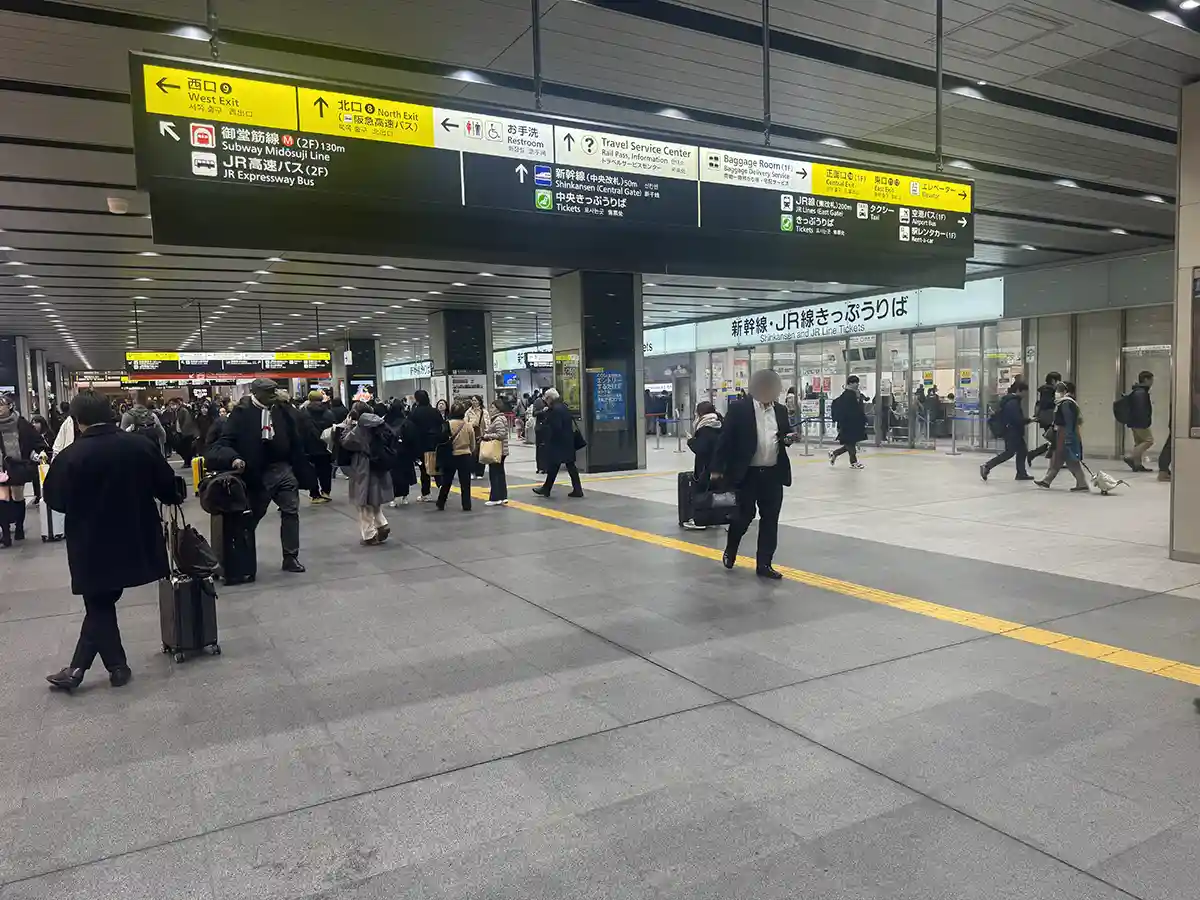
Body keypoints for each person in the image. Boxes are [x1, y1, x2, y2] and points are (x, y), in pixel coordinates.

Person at [42, 392, 182, 691]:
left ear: (77, 421)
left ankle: (84, 669)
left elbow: (54, 499)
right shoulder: (139, 446)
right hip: (136, 536)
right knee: (100, 602)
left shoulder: (71, 456)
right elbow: (169, 488)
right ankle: (112, 668)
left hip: (90, 542)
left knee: (98, 601)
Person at [205, 378, 316, 573]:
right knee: (251, 517)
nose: (273, 395)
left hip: (283, 469)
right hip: (257, 473)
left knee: (291, 512)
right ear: (256, 394)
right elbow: (222, 443)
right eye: (269, 392)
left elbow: (300, 432)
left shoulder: (282, 410)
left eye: (275, 391)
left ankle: (290, 557)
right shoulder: (241, 414)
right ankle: (239, 558)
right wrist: (234, 459)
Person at [713, 369, 792, 579]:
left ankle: (764, 564)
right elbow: (725, 440)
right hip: (747, 474)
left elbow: (784, 434)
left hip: (773, 474)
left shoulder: (781, 411)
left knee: (770, 519)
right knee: (744, 516)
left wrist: (788, 439)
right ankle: (731, 548)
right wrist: (717, 469)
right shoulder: (740, 409)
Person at [338, 402, 393, 545]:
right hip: (379, 465)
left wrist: (348, 425)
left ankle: (369, 535)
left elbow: (346, 441)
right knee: (375, 499)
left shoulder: (361, 428)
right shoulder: (380, 423)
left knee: (363, 503)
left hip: (363, 466)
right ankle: (382, 524)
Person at [0, 394, 46, 545]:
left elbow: (36, 441)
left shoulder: (21, 423)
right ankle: (5, 533)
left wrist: (38, 454)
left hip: (17, 466)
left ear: (10, 406)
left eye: (2, 405)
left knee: (18, 496)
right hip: (1, 466)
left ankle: (19, 527)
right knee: (2, 499)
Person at [1036, 381, 1089, 492]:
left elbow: (1068, 422)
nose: (1056, 393)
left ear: (1066, 391)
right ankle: (1047, 481)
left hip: (1064, 434)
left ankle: (1082, 483)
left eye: (1059, 390)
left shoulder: (1066, 403)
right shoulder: (1066, 403)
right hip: (1062, 434)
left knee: (1070, 461)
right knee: (1058, 459)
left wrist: (1068, 438)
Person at [532, 388, 584, 499]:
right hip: (567, 441)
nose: (545, 401)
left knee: (557, 465)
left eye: (546, 398)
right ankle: (575, 489)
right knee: (564, 466)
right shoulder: (563, 406)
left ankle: (548, 489)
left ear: (550, 398)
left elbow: (556, 427)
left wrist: (546, 431)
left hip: (559, 443)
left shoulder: (555, 409)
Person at [980, 381, 1033, 482]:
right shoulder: (1012, 402)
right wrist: (1028, 420)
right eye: (1025, 392)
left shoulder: (1012, 400)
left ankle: (1021, 473)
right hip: (1012, 431)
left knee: (1022, 451)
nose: (1026, 395)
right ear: (1019, 391)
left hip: (1013, 431)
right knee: (1009, 453)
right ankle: (987, 466)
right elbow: (1016, 419)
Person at [682, 400, 723, 530]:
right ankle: (713, 518)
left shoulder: (705, 428)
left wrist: (691, 441)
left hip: (705, 466)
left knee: (701, 492)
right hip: (719, 465)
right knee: (714, 491)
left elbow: (701, 449)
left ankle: (700, 520)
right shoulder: (720, 424)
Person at [435, 401, 476, 511]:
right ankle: (466, 505)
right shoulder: (467, 425)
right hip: (465, 455)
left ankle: (441, 502)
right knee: (465, 483)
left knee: (447, 481)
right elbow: (472, 444)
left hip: (450, 455)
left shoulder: (447, 424)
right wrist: (469, 451)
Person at [406, 389, 443, 502]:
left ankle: (425, 494)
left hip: (421, 445)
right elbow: (442, 425)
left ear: (417, 400)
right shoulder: (435, 411)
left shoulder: (414, 413)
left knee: (424, 469)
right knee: (437, 467)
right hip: (435, 444)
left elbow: (410, 429)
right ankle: (442, 487)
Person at [301, 390, 335, 504]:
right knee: (325, 470)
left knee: (311, 471)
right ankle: (326, 491)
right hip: (325, 447)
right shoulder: (328, 413)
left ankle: (314, 494)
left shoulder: (303, 413)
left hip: (309, 448)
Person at [828, 376, 868, 469]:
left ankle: (834, 453)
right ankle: (853, 462)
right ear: (850, 383)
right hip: (848, 424)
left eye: (857, 382)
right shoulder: (848, 395)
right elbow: (850, 410)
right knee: (850, 442)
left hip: (853, 423)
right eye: (855, 382)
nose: (857, 384)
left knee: (850, 443)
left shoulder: (855, 394)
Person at [1026, 372, 1062, 465]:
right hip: (1049, 418)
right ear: (1053, 380)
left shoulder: (1046, 389)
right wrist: (1057, 400)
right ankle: (1034, 454)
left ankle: (1036, 455)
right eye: (1058, 380)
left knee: (1055, 441)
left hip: (1047, 418)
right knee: (1056, 440)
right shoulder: (1048, 390)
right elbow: (1046, 404)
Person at [1123, 370, 1155, 473]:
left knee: (1139, 443)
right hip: (1140, 422)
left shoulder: (1137, 391)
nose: (1152, 382)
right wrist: (1145, 421)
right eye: (1151, 380)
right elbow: (1141, 409)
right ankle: (1131, 456)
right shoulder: (1141, 393)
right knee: (1148, 441)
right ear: (1146, 380)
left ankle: (1137, 465)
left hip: (1134, 421)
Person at [482, 397, 511, 506]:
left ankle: (495, 498)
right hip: (501, 450)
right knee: (500, 473)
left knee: (494, 473)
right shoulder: (499, 418)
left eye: (493, 407)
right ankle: (503, 496)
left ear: (498, 409)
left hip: (497, 450)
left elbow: (501, 434)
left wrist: (487, 435)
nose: (491, 409)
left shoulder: (498, 419)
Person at [170, 399, 200, 468]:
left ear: (177, 404)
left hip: (186, 433)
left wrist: (184, 431)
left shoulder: (183, 410)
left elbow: (187, 421)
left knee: (186, 448)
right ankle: (187, 461)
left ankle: (187, 462)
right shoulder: (176, 411)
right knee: (181, 448)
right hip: (180, 432)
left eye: (173, 404)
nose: (172, 406)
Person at [464, 395, 486, 479]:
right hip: (471, 434)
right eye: (472, 400)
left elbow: (487, 423)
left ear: (479, 401)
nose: (474, 402)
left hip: (481, 434)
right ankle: (472, 471)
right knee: (472, 454)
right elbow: (465, 423)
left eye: (475, 400)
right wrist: (472, 424)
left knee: (481, 453)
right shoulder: (468, 412)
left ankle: (480, 472)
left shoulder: (484, 411)